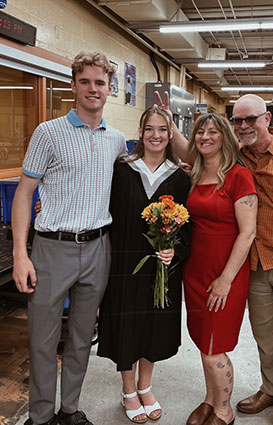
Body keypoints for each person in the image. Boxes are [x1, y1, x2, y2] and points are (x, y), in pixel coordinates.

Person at [156, 92, 273, 425]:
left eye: (250, 119)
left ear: (267, 119)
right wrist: (168, 120)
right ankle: (271, 389)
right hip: (254, 263)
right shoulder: (239, 156)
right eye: (238, 120)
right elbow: (197, 150)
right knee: (266, 337)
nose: (243, 125)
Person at [12, 51, 127, 425]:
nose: (93, 89)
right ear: (73, 85)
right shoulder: (48, 133)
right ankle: (41, 416)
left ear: (110, 89)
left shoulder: (117, 141)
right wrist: (20, 254)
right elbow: (25, 194)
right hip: (51, 248)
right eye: (85, 82)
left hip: (98, 248)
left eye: (100, 83)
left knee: (81, 336)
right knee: (43, 340)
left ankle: (69, 410)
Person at [157, 107, 257, 425]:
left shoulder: (239, 176)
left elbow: (248, 232)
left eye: (213, 131)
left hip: (225, 273)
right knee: (203, 340)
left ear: (224, 137)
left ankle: (224, 411)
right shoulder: (196, 174)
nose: (205, 137)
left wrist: (226, 279)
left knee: (216, 347)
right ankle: (210, 399)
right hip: (196, 272)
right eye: (200, 131)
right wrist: (171, 127)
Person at [97, 105, 191, 424]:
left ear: (170, 134)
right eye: (149, 129)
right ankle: (128, 390)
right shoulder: (122, 169)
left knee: (153, 326)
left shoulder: (178, 177)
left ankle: (145, 385)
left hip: (160, 268)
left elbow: (188, 227)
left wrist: (174, 252)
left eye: (162, 129)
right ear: (140, 132)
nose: (156, 135)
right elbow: (100, 207)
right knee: (127, 326)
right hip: (124, 263)